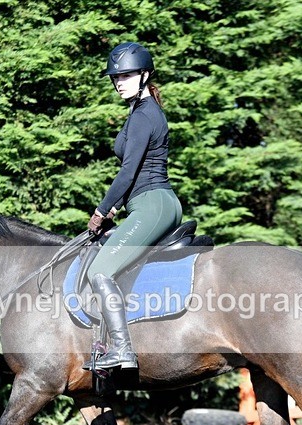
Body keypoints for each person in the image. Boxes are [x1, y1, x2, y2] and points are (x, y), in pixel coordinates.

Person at [82, 42, 182, 372]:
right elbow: (136, 171)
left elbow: (128, 171)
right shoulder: (142, 112)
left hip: (151, 204)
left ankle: (123, 350)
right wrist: (115, 209)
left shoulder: (143, 116)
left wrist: (101, 209)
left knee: (99, 270)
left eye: (126, 75)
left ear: (145, 74)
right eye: (115, 77)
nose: (119, 82)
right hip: (156, 201)